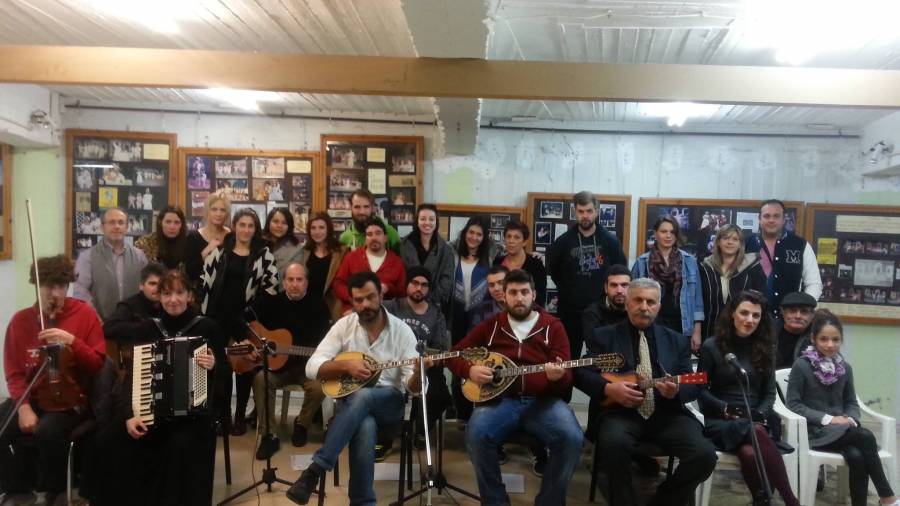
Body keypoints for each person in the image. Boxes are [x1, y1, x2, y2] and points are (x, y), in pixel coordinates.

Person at [286, 271, 426, 505]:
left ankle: (315, 470)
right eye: (359, 300)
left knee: (363, 396)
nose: (365, 305)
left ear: (381, 295)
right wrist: (346, 366)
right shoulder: (344, 326)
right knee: (365, 425)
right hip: (352, 410)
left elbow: (414, 389)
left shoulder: (402, 331)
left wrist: (419, 373)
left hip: (390, 407)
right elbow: (312, 367)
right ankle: (362, 502)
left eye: (370, 297)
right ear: (352, 301)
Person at [574, 278, 717, 506]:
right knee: (613, 445)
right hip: (620, 414)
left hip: (667, 414)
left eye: (650, 302)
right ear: (627, 303)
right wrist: (608, 388)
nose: (644, 307)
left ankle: (663, 500)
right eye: (638, 300)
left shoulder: (677, 341)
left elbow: (693, 384)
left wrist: (676, 392)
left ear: (658, 306)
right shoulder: (604, 336)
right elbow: (581, 373)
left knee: (705, 455)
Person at [446, 269, 583, 505]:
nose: (519, 298)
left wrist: (557, 378)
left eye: (524, 292)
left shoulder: (553, 327)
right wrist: (469, 370)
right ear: (504, 296)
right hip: (500, 401)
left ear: (534, 295)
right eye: (513, 292)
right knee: (476, 434)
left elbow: (566, 380)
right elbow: (454, 355)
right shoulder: (492, 326)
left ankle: (549, 501)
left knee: (572, 438)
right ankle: (495, 501)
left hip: (544, 402)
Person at [91, 269, 221, 506]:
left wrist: (214, 365)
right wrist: (130, 416)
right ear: (159, 297)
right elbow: (132, 378)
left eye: (179, 293)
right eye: (167, 294)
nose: (173, 300)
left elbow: (224, 375)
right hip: (150, 411)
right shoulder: (149, 328)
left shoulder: (206, 327)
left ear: (189, 295)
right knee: (106, 440)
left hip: (192, 417)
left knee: (179, 445)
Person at [0, 255, 106, 504]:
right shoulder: (20, 321)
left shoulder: (85, 314)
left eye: (61, 286)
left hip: (70, 398)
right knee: (2, 426)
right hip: (33, 396)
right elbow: (14, 372)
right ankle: (17, 488)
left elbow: (96, 364)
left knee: (48, 432)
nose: (55, 293)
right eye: (48, 286)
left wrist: (72, 342)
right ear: (37, 286)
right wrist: (24, 407)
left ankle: (55, 490)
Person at [787, 309, 899, 506]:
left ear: (841, 340)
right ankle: (887, 497)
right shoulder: (802, 366)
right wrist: (829, 419)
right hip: (815, 433)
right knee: (865, 436)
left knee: (857, 456)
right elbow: (794, 404)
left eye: (836, 339)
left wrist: (851, 418)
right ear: (813, 339)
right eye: (824, 339)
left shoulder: (845, 368)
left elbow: (851, 402)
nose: (830, 345)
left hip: (843, 431)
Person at [698, 290, 800, 506]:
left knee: (749, 452)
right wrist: (724, 407)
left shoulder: (766, 348)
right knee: (756, 432)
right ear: (732, 314)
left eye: (756, 315)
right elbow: (700, 390)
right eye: (744, 313)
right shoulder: (711, 346)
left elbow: (769, 393)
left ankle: (762, 501)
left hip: (756, 419)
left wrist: (760, 413)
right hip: (721, 420)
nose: (750, 320)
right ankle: (791, 501)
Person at [200, 208, 278, 436]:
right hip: (218, 318)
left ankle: (240, 416)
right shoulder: (220, 251)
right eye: (242, 225)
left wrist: (250, 313)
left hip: (246, 319)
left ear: (256, 229)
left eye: (250, 226)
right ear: (234, 226)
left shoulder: (264, 255)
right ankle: (222, 416)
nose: (246, 230)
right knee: (221, 368)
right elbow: (205, 283)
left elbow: (271, 290)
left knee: (244, 367)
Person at [251, 263, 330, 459]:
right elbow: (250, 325)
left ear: (306, 283)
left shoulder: (318, 306)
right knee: (261, 379)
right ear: (284, 282)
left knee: (320, 387)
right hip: (278, 368)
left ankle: (302, 424)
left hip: (307, 368)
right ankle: (269, 435)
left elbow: (326, 342)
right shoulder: (271, 303)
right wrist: (252, 344)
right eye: (290, 279)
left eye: (299, 280)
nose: (294, 284)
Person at [547, 191, 627, 362]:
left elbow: (620, 271)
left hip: (603, 312)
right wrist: (569, 290)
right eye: (581, 211)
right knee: (567, 360)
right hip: (571, 311)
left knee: (606, 359)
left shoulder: (610, 241)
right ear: (574, 212)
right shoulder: (562, 242)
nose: (585, 215)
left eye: (589, 211)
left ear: (596, 212)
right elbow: (553, 269)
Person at [384, 266, 451, 451]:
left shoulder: (436, 313)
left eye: (424, 285)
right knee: (384, 390)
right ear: (407, 284)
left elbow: (441, 349)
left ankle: (421, 430)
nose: (418, 288)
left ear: (429, 288)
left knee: (439, 394)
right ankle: (385, 436)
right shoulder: (391, 307)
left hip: (425, 366)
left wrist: (430, 361)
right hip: (393, 364)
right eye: (414, 283)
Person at [449, 217, 497, 423]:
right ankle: (461, 412)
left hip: (481, 318)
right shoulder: (451, 253)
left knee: (480, 363)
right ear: (465, 233)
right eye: (471, 232)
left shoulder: (492, 255)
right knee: (457, 361)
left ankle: (478, 411)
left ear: (484, 237)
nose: (474, 237)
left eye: (479, 234)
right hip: (456, 317)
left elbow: (513, 257)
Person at [632, 216, 704, 351]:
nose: (668, 236)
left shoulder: (689, 261)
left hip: (682, 326)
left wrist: (697, 331)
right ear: (655, 234)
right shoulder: (642, 262)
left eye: (672, 232)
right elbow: (632, 299)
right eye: (663, 231)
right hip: (652, 324)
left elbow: (698, 301)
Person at [745, 199, 822, 319]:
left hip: (788, 319)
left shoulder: (800, 245)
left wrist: (801, 308)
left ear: (784, 220)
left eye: (776, 216)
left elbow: (814, 283)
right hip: (751, 318)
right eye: (766, 216)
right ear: (759, 219)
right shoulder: (746, 244)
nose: (771, 220)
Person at [73, 207, 149, 321]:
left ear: (127, 227)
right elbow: (81, 293)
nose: (117, 226)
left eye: (121, 222)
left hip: (134, 324)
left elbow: (147, 290)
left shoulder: (139, 256)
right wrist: (96, 321)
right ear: (102, 227)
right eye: (112, 222)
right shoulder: (87, 257)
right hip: (101, 324)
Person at [699, 224, 767, 341]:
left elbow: (761, 299)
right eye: (726, 238)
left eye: (735, 239)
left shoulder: (753, 266)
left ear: (740, 244)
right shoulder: (705, 266)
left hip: (743, 330)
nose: (730, 242)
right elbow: (699, 301)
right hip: (710, 329)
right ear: (718, 242)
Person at [333, 218, 406, 313]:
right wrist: (353, 298)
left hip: (385, 313)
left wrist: (388, 288)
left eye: (378, 233)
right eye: (369, 234)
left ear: (385, 238)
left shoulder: (397, 262)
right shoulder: (351, 257)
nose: (374, 238)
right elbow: (338, 283)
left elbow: (402, 294)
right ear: (365, 239)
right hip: (353, 312)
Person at [102, 262, 166, 369]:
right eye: (152, 284)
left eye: (161, 285)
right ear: (141, 285)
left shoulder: (169, 305)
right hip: (137, 364)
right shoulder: (129, 305)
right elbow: (108, 328)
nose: (157, 288)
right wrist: (145, 327)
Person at [398, 204, 455, 307]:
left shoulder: (446, 250)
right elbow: (400, 276)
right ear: (417, 221)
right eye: (423, 219)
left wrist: (429, 300)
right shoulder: (403, 246)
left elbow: (447, 281)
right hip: (407, 303)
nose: (427, 223)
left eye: (431, 219)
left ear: (436, 222)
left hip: (434, 305)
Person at [302, 212, 348, 322]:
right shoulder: (305, 252)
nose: (317, 232)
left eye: (321, 227)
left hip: (333, 308)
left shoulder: (342, 251)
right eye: (313, 228)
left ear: (329, 229)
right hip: (308, 308)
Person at [493, 220, 547, 307]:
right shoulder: (497, 262)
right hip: (499, 311)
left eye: (516, 237)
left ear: (524, 242)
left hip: (525, 311)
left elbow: (540, 298)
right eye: (508, 236)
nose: (511, 241)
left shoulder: (535, 264)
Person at [185, 193, 231, 289]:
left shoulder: (231, 236)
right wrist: (206, 252)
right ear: (207, 211)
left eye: (222, 210)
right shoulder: (193, 237)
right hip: (201, 291)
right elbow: (190, 272)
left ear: (227, 214)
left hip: (227, 290)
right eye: (214, 209)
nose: (218, 214)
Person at [581, 264, 631, 339]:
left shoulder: (638, 309)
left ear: (632, 287)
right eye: (614, 285)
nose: (619, 290)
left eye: (624, 285)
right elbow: (594, 342)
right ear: (606, 288)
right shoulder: (592, 314)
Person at [135, 205, 188, 270]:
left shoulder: (188, 243)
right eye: (168, 222)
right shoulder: (146, 243)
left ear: (182, 224)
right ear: (160, 223)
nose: (172, 227)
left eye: (176, 222)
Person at [775, 291, 818, 369]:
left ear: (812, 315)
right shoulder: (768, 333)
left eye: (804, 311)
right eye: (792, 310)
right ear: (783, 313)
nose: (798, 316)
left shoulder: (818, 338)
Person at [263, 206, 305, 285]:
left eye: (284, 223)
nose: (279, 225)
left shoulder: (296, 249)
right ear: (268, 222)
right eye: (275, 221)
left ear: (289, 226)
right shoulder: (258, 245)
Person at [467, 265, 509, 329]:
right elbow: (473, 334)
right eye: (491, 285)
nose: (496, 288)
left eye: (501, 283)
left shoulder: (521, 307)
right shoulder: (481, 310)